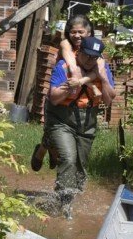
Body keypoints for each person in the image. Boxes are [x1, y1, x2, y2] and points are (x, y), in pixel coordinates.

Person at [40, 35, 116, 218]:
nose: (90, 60)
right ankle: (64, 204)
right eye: (87, 56)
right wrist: (72, 84)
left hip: (87, 122)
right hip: (61, 119)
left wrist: (103, 78)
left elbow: (108, 100)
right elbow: (54, 98)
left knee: (81, 166)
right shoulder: (64, 66)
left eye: (94, 57)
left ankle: (70, 198)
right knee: (68, 158)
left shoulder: (102, 68)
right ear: (79, 52)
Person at [30, 15, 102, 171]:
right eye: (73, 31)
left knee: (59, 142)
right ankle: (42, 152)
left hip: (77, 103)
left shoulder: (93, 51)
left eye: (81, 32)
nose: (76, 35)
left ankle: (48, 152)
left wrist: (84, 82)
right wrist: (74, 71)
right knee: (53, 135)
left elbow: (97, 71)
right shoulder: (66, 44)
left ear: (89, 33)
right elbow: (70, 59)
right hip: (59, 94)